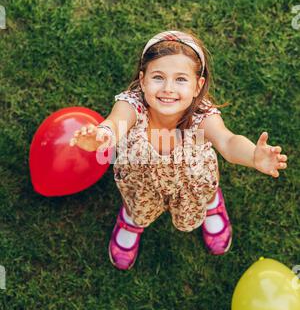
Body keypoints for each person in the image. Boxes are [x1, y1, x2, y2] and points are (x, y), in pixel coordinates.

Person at [69, 29, 288, 270]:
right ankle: (131, 218)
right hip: (142, 182)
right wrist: (104, 135)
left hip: (191, 181)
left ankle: (211, 201)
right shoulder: (132, 105)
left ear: (198, 85)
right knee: (138, 204)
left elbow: (227, 142)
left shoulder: (200, 115)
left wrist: (252, 156)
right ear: (142, 80)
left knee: (199, 196)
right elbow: (114, 123)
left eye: (181, 79)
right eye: (158, 77)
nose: (168, 89)